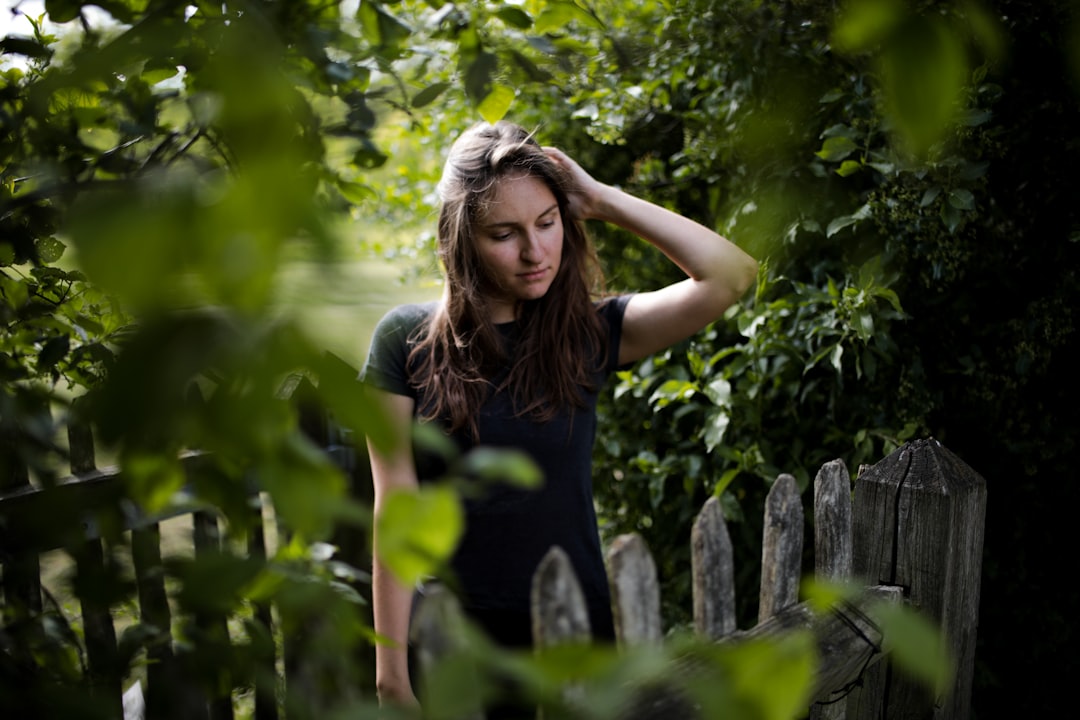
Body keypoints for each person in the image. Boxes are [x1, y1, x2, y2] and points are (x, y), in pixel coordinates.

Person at [361, 120, 757, 712]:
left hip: (576, 631)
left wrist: (602, 199)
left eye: (548, 223)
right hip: (456, 643)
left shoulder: (589, 334)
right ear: (461, 239)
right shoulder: (404, 341)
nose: (535, 251)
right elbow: (395, 505)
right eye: (505, 233)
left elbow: (732, 275)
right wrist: (391, 675)